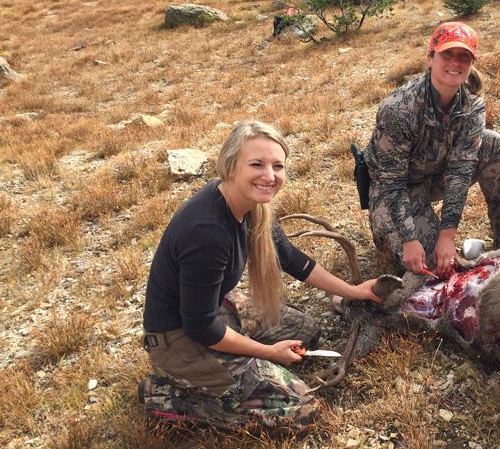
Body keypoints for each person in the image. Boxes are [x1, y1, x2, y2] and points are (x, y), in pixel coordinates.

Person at [139, 120, 381, 432]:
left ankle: (240, 369)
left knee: (306, 332)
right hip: (179, 340)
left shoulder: (251, 205)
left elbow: (293, 260)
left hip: (214, 312)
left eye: (277, 166)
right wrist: (268, 353)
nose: (269, 176)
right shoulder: (207, 232)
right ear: (231, 165)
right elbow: (201, 328)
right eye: (257, 164)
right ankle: (167, 395)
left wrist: (354, 291)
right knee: (302, 409)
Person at [364, 22, 500, 279]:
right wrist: (409, 239)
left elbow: (461, 170)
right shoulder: (398, 109)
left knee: (492, 142)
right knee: (432, 267)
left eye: (464, 56)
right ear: (430, 58)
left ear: (471, 64)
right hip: (397, 188)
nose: (455, 62)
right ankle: (391, 233)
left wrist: (448, 235)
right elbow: (391, 182)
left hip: (437, 172)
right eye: (447, 54)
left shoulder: (472, 106)